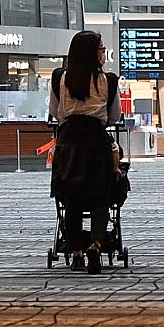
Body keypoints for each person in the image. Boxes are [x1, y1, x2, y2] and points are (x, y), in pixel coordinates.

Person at [48, 30, 121, 274]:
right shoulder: (108, 81)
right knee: (100, 199)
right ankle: (96, 246)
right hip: (96, 144)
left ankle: (76, 253)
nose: (103, 53)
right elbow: (114, 116)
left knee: (72, 201)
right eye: (101, 49)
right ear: (92, 53)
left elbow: (55, 112)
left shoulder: (60, 78)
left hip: (69, 144)